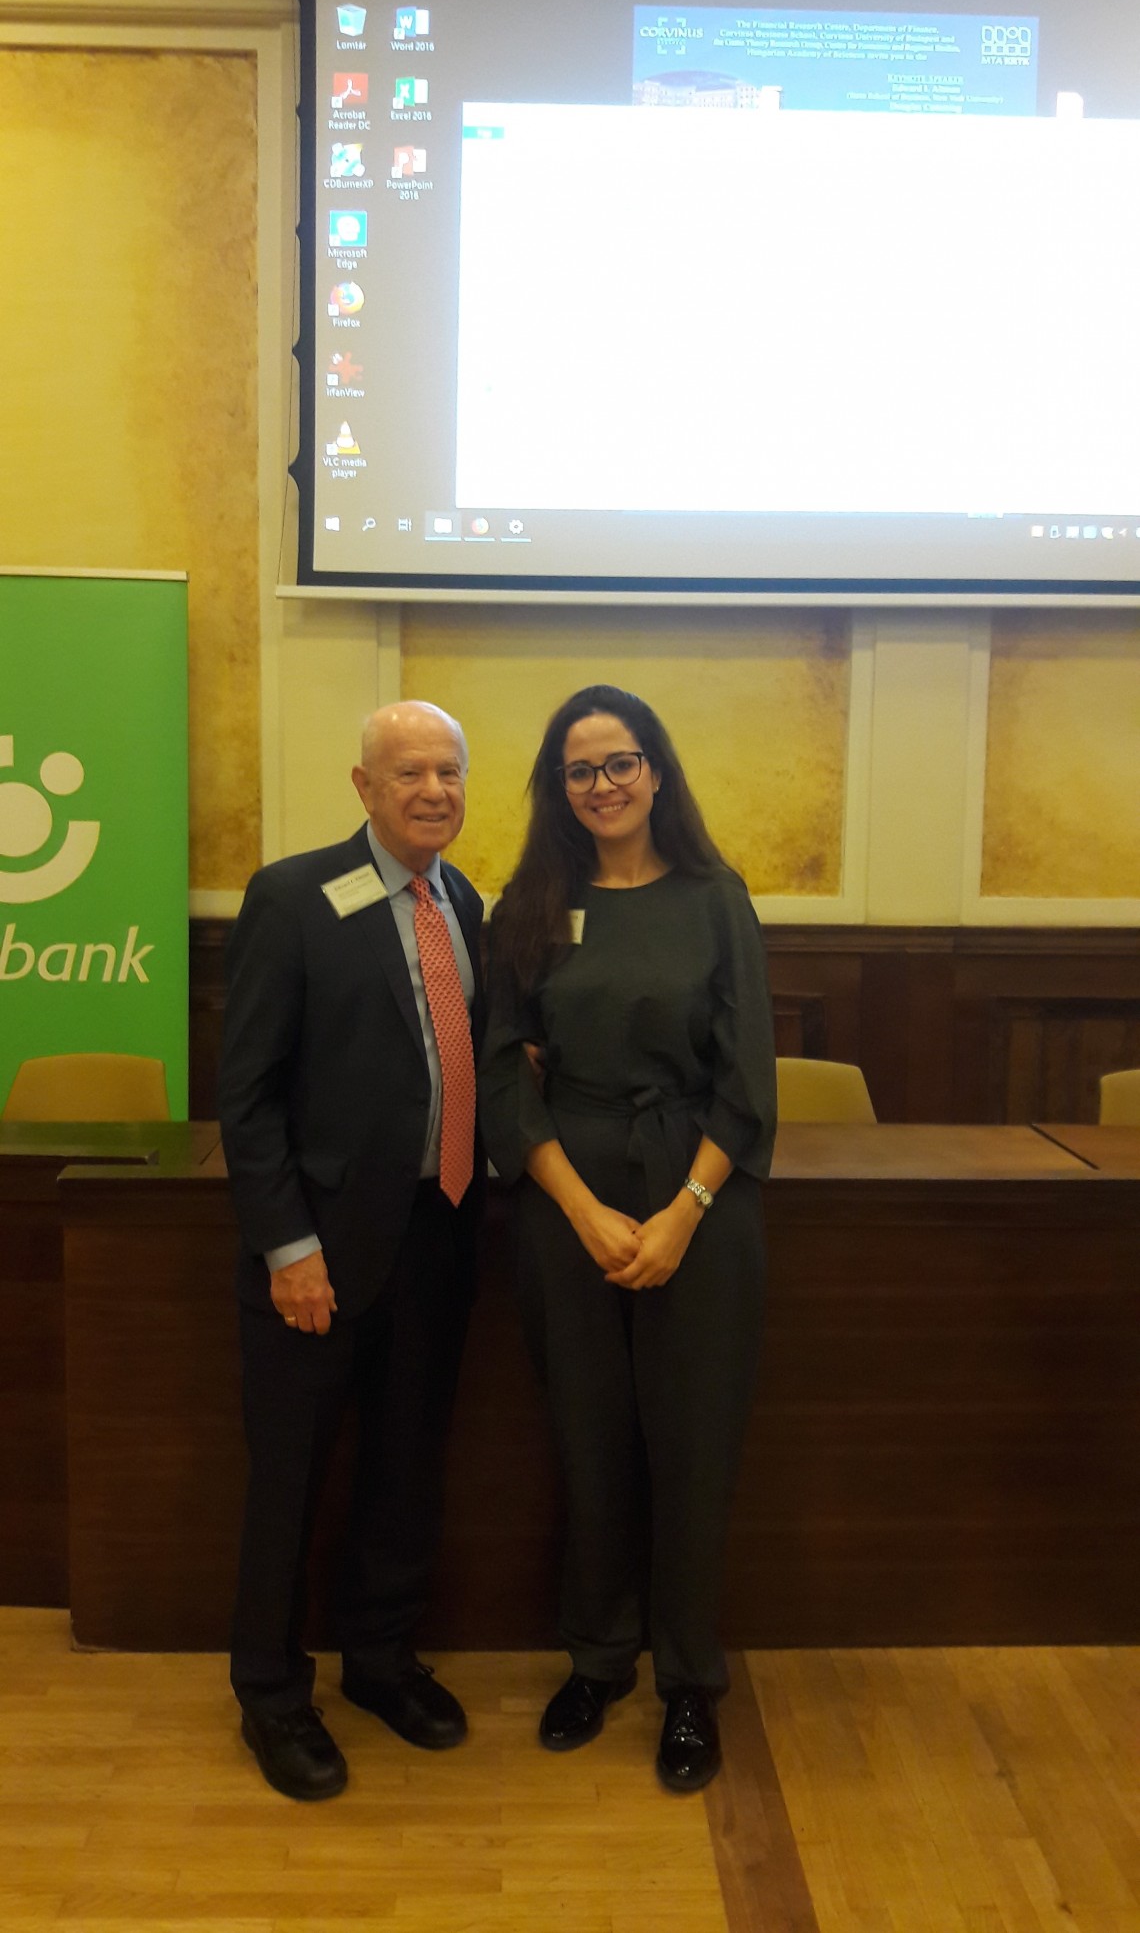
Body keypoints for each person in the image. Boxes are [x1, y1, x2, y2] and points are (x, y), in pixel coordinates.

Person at [480, 684, 776, 1793]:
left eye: (619, 762)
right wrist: (582, 1208)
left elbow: (747, 1084)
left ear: (655, 770)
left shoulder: (715, 899)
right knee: (589, 1436)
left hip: (699, 1193)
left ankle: (689, 1681)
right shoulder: (531, 905)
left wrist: (683, 1212)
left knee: (693, 1446)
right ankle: (599, 1660)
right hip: (568, 1197)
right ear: (558, 788)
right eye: (579, 769)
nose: (601, 784)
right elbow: (504, 1074)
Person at [218, 701, 484, 1801]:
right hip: (318, 1251)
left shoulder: (464, 901)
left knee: (406, 1466)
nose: (433, 790)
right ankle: (272, 1694)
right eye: (408, 771)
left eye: (449, 771)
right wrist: (288, 1245)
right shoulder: (292, 897)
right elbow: (246, 1094)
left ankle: (379, 1659)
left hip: (440, 1231)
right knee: (291, 1479)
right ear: (365, 787)